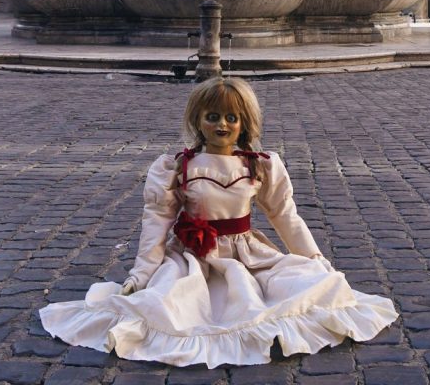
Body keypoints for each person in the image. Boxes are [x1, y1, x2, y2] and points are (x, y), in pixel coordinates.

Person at [39, 78, 398, 368]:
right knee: (168, 307)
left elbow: (285, 215)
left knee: (316, 284)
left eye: (231, 117)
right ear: (198, 120)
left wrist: (313, 258)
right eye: (212, 116)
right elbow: (157, 221)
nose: (221, 125)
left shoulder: (260, 165)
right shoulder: (178, 167)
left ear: (244, 123)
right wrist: (141, 274)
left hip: (247, 255)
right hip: (192, 258)